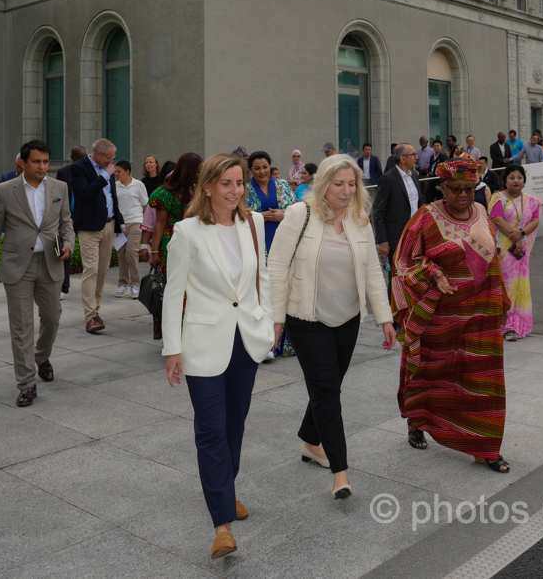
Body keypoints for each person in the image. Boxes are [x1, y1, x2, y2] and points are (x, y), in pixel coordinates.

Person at [162, 154, 274, 560]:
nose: (235, 190)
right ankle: (222, 525)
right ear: (207, 186)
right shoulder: (186, 232)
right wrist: (171, 347)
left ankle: (225, 490)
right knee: (210, 431)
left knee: (234, 427)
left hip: (245, 340)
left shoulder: (254, 224)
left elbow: (262, 277)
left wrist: (271, 322)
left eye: (239, 183)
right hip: (203, 343)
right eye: (226, 183)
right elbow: (174, 294)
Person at [268, 156, 396, 500]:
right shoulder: (300, 214)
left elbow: (371, 270)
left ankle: (310, 441)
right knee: (327, 391)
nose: (346, 190)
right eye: (338, 184)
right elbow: (277, 266)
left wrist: (384, 317)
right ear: (323, 183)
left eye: (351, 184)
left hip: (347, 318)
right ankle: (341, 473)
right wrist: (275, 318)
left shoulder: (360, 220)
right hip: (306, 318)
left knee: (329, 385)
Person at [392, 158, 510, 472]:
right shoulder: (425, 218)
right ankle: (417, 420)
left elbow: (492, 259)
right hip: (439, 323)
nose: (462, 194)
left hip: (480, 318)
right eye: (455, 188)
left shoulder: (483, 213)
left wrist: (502, 299)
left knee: (483, 380)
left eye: (469, 189)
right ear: (441, 188)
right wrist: (433, 272)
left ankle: (484, 445)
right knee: (432, 375)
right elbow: (403, 264)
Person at [0, 140, 73, 406]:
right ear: (23, 163)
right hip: (18, 265)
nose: (42, 167)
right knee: (21, 327)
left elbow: (67, 223)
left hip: (51, 262)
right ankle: (27, 382)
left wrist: (68, 244)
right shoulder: (5, 190)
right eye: (36, 162)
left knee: (52, 318)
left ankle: (41, 356)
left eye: (45, 162)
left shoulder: (59, 188)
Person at [246, 151, 297, 360]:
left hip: (284, 244)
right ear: (251, 170)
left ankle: (286, 345)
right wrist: (260, 216)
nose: (262, 171)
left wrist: (282, 214)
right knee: (262, 294)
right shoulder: (245, 188)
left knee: (285, 291)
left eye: (265, 166)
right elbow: (238, 214)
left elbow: (297, 210)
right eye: (257, 168)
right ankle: (265, 343)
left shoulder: (283, 185)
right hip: (258, 246)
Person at [69, 139, 123, 334]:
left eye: (113, 158)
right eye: (109, 157)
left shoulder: (108, 168)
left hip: (110, 224)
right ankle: (90, 315)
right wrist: (104, 176)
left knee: (102, 270)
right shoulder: (78, 168)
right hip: (89, 227)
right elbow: (85, 192)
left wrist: (120, 221)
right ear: (98, 155)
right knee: (90, 269)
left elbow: (111, 197)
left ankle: (96, 311)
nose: (112, 161)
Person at [148, 152, 202, 340]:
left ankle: (189, 332)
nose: (199, 175)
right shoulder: (165, 192)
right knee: (175, 290)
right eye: (198, 171)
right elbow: (160, 223)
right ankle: (175, 335)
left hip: (195, 243)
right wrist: (154, 252)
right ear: (189, 171)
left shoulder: (198, 190)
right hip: (172, 243)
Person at [488, 163, 541, 340]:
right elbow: (496, 218)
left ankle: (520, 325)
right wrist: (515, 236)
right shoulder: (498, 197)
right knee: (507, 287)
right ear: (505, 181)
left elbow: (535, 220)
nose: (516, 181)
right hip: (504, 251)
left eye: (519, 177)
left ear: (524, 181)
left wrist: (522, 233)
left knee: (521, 287)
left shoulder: (532, 200)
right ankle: (506, 325)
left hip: (521, 252)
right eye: (511, 178)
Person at [55, 146, 88, 299]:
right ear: (72, 157)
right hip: (68, 216)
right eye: (79, 158)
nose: (83, 161)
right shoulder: (63, 172)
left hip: (85, 215)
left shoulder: (90, 170)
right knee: (65, 249)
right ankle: (64, 287)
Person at [114, 160, 149, 298]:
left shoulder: (139, 185)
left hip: (135, 222)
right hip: (119, 225)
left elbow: (145, 205)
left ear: (127, 172)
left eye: (119, 171)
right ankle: (123, 284)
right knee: (121, 255)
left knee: (131, 252)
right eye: (115, 171)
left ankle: (136, 284)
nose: (116, 174)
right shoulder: (114, 186)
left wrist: (145, 224)